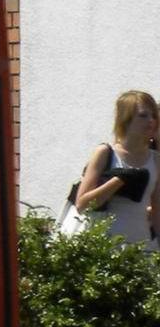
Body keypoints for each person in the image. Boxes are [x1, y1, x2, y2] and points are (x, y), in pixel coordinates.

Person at [64, 90, 160, 245]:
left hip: (140, 245)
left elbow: (157, 210)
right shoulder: (105, 152)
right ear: (126, 119)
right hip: (104, 246)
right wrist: (118, 180)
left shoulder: (155, 159)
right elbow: (82, 205)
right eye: (143, 115)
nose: (151, 121)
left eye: (153, 116)